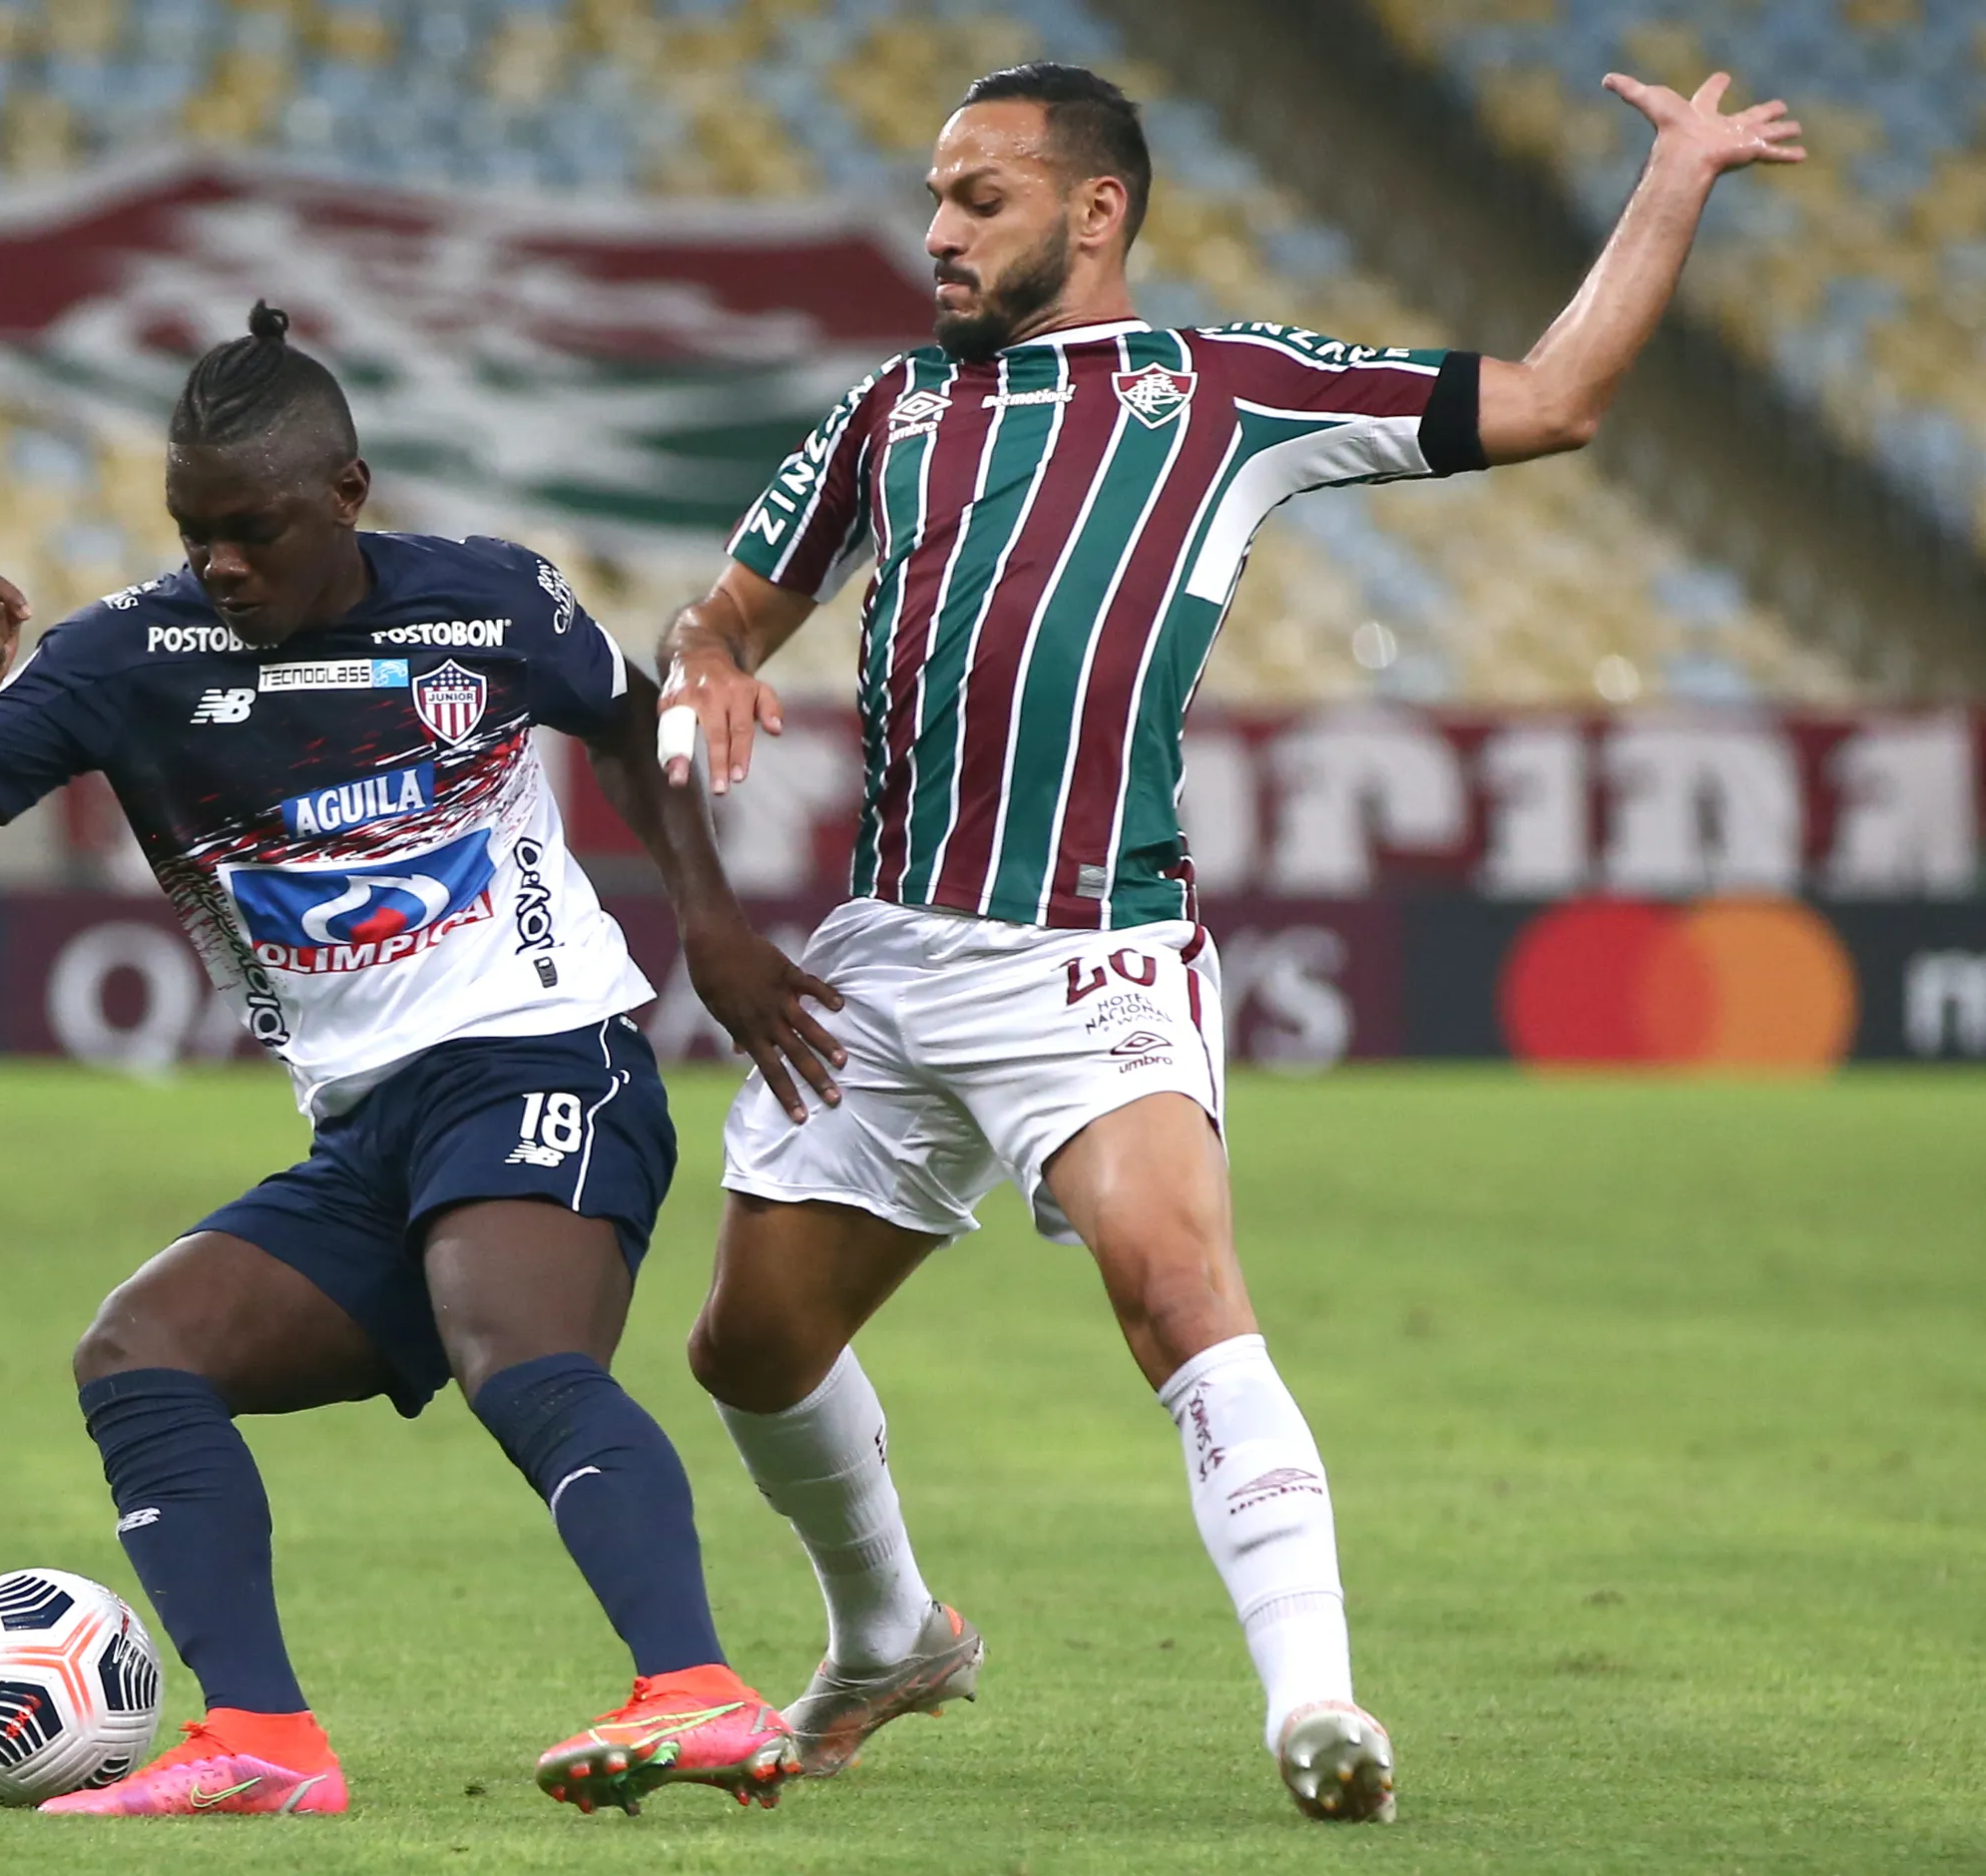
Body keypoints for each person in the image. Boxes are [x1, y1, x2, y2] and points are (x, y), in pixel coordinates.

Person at [657, 64, 1802, 1823]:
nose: (939, 232)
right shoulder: (890, 411)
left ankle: (1317, 1710)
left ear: (1096, 211)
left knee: (1177, 1294)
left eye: (982, 199)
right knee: (744, 1351)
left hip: (1089, 953)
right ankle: (889, 1637)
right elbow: (721, 619)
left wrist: (1677, 179)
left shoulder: (1229, 393)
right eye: (935, 200)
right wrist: (716, 665)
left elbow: (1560, 398)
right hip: (881, 964)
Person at [0, 304, 842, 1818]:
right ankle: (262, 1737)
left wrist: (709, 927)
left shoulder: (492, 601)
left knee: (515, 1354)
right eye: (195, 533)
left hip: (543, 1054)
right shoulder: (128, 657)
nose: (221, 565)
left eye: (249, 531)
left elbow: (635, 724)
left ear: (346, 493)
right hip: (370, 1128)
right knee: (140, 1359)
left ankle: (700, 1691)